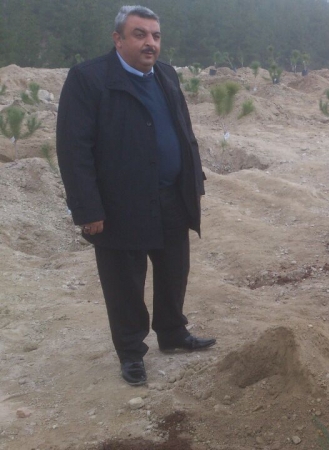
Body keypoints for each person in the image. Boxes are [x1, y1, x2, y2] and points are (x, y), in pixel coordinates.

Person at [56, 5, 215, 386]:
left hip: (171, 195)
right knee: (124, 282)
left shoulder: (165, 74)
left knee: (174, 271)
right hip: (118, 203)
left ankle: (173, 333)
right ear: (118, 39)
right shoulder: (88, 79)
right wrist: (87, 208)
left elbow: (181, 129)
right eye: (140, 34)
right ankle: (131, 352)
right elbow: (73, 149)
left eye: (155, 36)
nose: (150, 43)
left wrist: (194, 180)